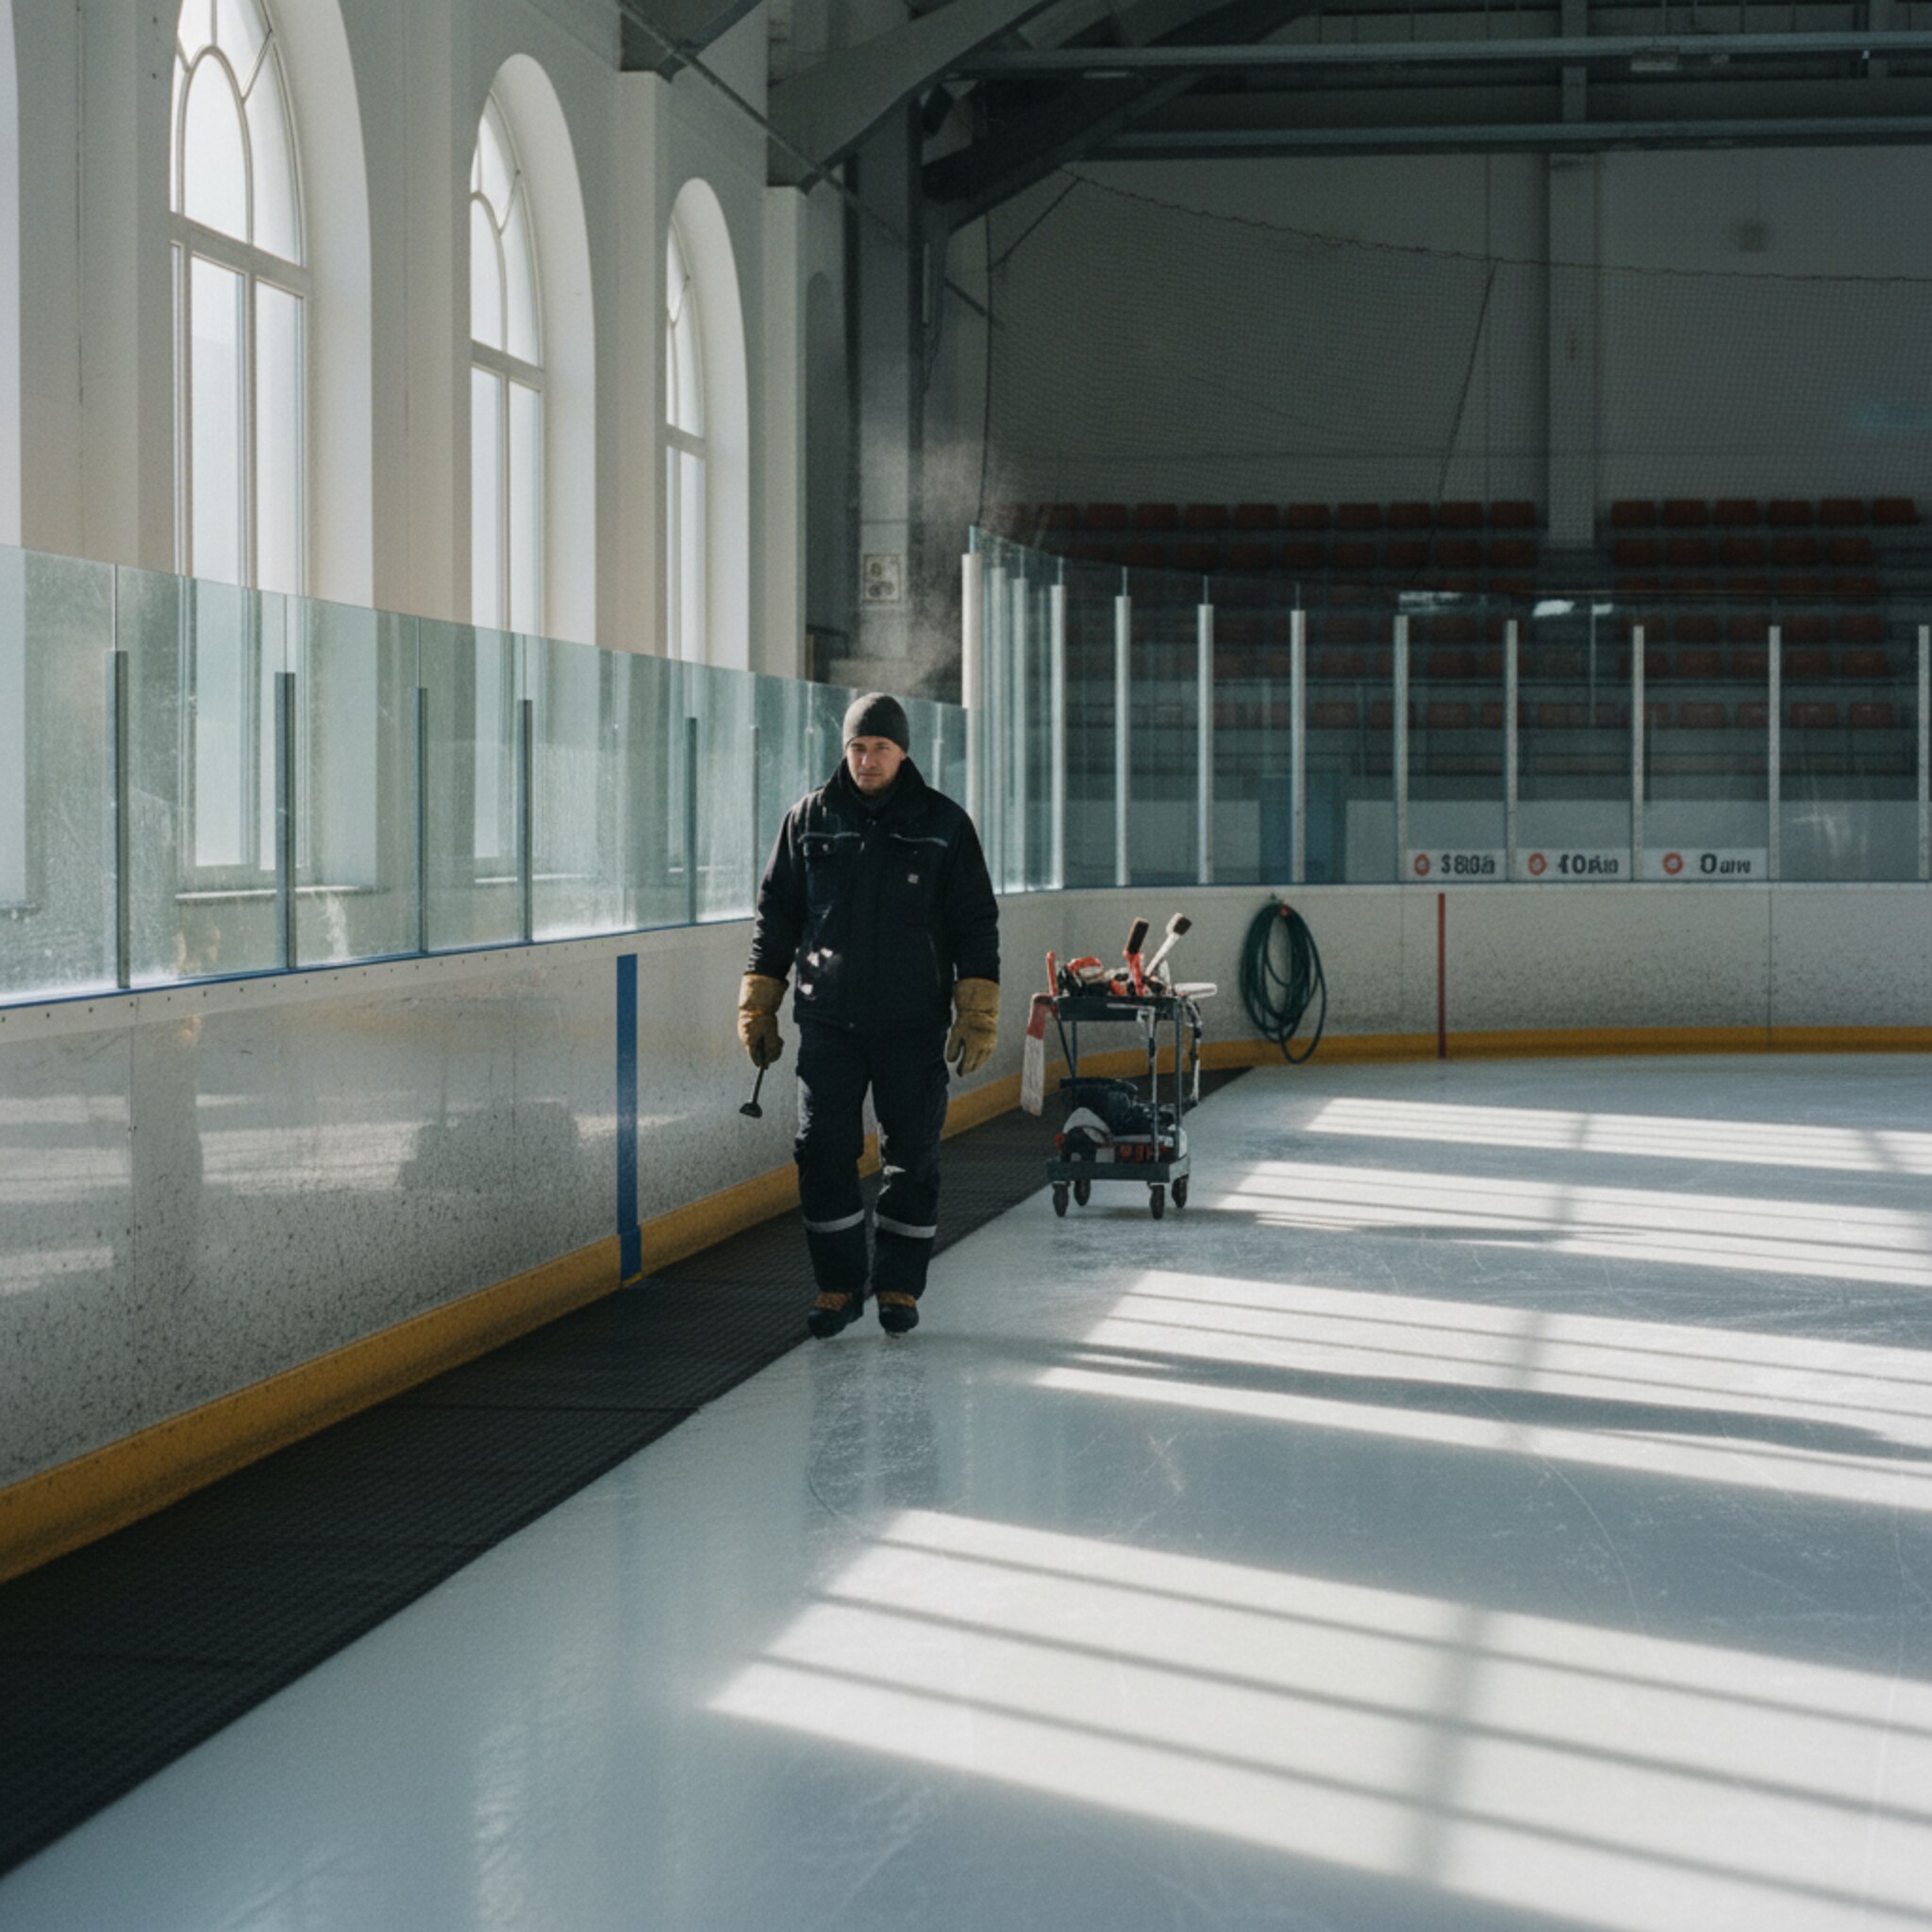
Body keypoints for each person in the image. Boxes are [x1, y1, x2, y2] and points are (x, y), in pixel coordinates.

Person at [738, 692, 1000, 1339]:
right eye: (857, 747)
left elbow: (975, 923)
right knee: (821, 1150)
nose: (867, 760)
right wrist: (759, 1004)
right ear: (844, 751)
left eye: (880, 747)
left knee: (912, 1154)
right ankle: (837, 1286)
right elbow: (776, 918)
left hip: (912, 1024)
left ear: (903, 752)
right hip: (828, 1020)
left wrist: (977, 1012)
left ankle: (898, 1286)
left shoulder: (944, 824)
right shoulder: (808, 820)